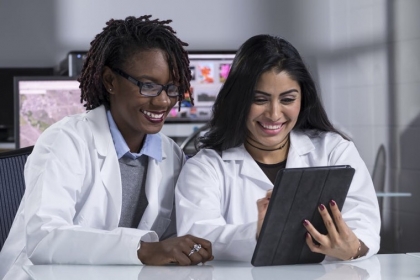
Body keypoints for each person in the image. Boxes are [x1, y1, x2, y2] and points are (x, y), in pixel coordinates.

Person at [0, 15, 213, 280]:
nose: (162, 101)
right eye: (148, 86)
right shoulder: (66, 141)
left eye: (171, 88)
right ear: (110, 81)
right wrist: (143, 249)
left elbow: (170, 239)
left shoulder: (170, 155)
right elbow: (45, 238)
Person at [175, 34, 380, 262]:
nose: (274, 114)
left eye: (287, 99)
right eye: (260, 99)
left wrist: (354, 247)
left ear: (303, 99)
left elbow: (365, 223)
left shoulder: (334, 151)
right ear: (238, 100)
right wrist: (257, 234)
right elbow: (196, 239)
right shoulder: (205, 168)